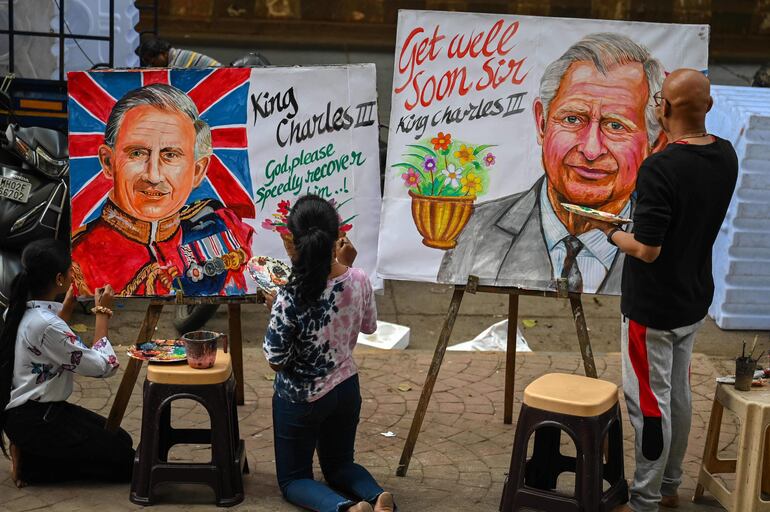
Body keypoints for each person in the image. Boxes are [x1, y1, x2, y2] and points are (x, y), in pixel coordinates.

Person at [593, 70, 738, 511]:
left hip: (652, 308)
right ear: (708, 107)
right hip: (692, 297)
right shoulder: (725, 155)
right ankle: (670, 485)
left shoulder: (661, 168)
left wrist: (607, 231)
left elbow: (648, 249)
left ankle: (645, 500)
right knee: (676, 393)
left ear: (664, 108)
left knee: (649, 405)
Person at [438, 32, 667, 294]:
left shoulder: (668, 243)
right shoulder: (473, 230)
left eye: (616, 126)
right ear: (542, 123)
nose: (591, 150)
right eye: (572, 119)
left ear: (655, 143)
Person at [263, 195, 395, 512]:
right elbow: (369, 326)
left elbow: (276, 360)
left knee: (294, 480)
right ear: (337, 238)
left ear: (293, 242)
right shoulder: (359, 279)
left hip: (302, 397)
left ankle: (346, 509)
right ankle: (376, 497)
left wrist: (274, 311)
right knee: (339, 464)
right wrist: (348, 266)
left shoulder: (289, 295)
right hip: (346, 386)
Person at [71, 83, 254, 297]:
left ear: (197, 171)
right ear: (108, 162)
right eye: (137, 153)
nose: (153, 176)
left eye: (171, 155)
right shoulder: (79, 256)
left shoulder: (217, 227)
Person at [0, 239, 133, 488]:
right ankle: (33, 466)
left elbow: (46, 342)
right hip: (37, 420)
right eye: (72, 270)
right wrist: (102, 314)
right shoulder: (47, 324)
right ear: (60, 280)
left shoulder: (21, 311)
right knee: (126, 462)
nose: (76, 273)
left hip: (31, 413)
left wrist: (68, 307)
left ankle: (32, 451)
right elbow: (103, 366)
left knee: (121, 440)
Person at [139, 37, 221, 68]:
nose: (152, 65)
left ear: (163, 53)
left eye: (153, 61)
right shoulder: (176, 55)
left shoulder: (177, 63)